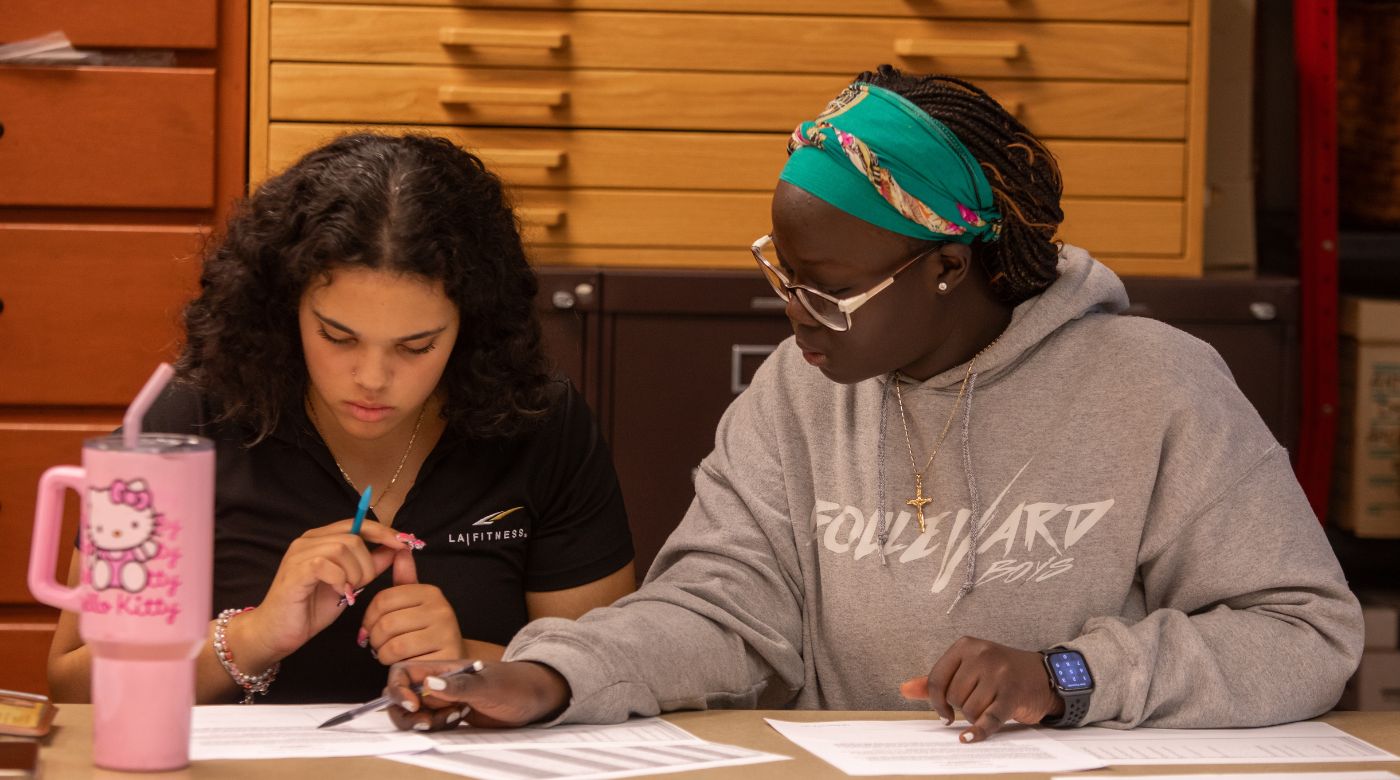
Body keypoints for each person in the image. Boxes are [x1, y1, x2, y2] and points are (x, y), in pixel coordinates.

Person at [383, 68, 1364, 741]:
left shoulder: (1158, 387)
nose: (793, 313)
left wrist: (1067, 677)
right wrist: (554, 676)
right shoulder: (797, 392)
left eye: (825, 287)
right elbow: (717, 608)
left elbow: (1302, 636)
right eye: (783, 274)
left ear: (944, 266)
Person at [47, 132, 637, 704]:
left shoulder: (539, 421)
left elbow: (609, 673)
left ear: (472, 326)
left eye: (417, 346)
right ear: (285, 308)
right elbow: (75, 689)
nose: (372, 379)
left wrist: (470, 660)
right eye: (337, 336)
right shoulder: (193, 416)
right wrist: (253, 638)